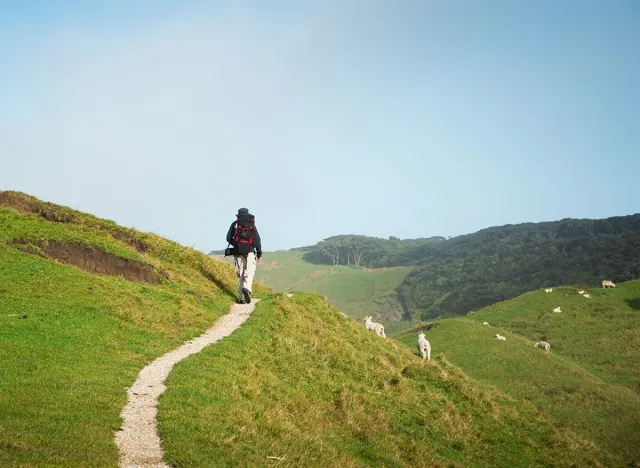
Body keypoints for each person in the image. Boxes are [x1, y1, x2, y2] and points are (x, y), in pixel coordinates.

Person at [226, 207, 262, 304]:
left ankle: (241, 298)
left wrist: (236, 244)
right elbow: (258, 239)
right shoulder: (252, 225)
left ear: (238, 215)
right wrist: (259, 253)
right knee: (249, 272)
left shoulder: (235, 224)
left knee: (240, 274)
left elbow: (228, 238)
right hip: (250, 252)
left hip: (238, 253)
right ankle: (247, 288)